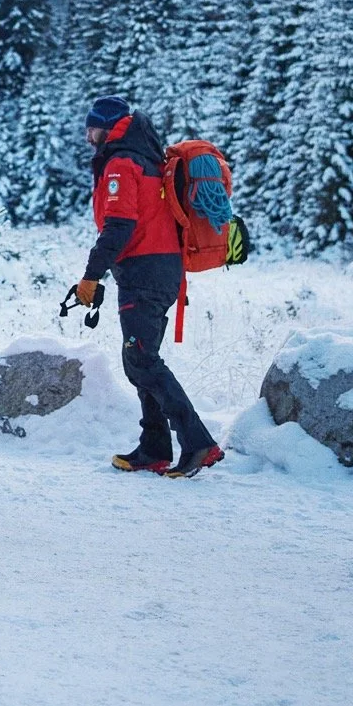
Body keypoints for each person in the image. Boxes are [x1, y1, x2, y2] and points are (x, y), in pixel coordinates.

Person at [75, 94, 223, 478]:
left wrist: (91, 275)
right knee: (142, 358)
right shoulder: (145, 157)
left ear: (105, 129)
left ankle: (198, 443)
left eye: (91, 129)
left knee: (141, 359)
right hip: (158, 270)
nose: (88, 137)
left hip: (145, 272)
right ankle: (154, 447)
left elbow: (119, 226)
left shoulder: (123, 163)